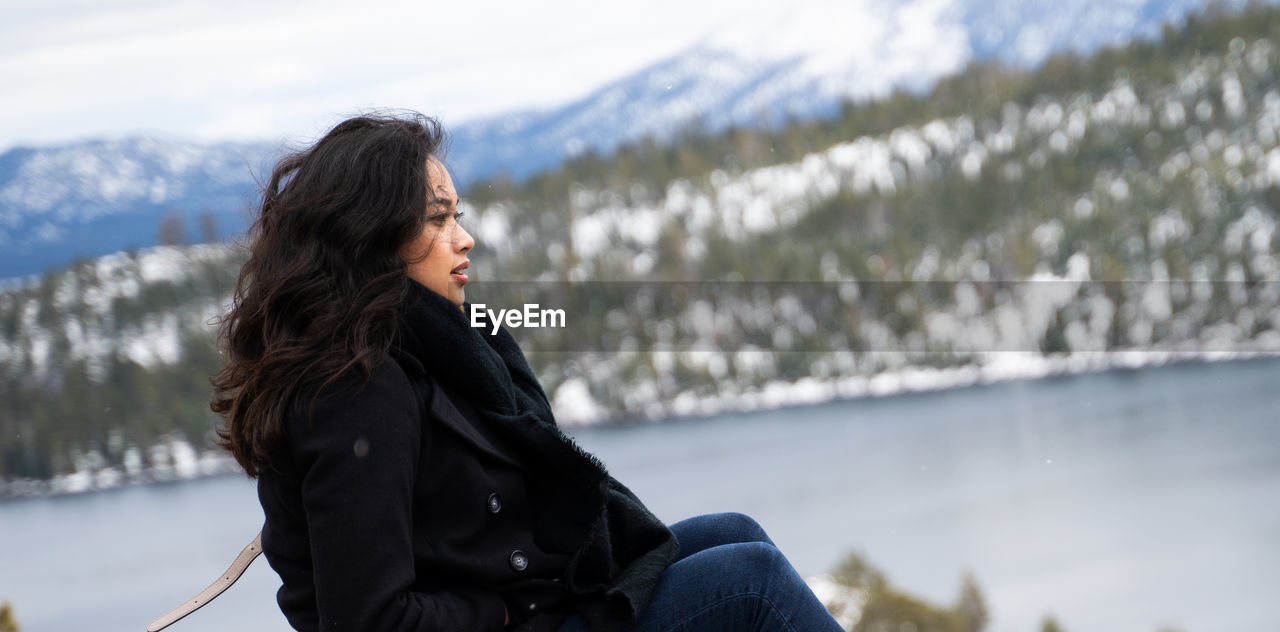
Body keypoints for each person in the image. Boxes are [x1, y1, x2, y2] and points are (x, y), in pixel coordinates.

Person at [212, 112, 844, 632]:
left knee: (732, 533)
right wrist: (502, 608)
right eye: (438, 220)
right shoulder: (361, 389)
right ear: (370, 237)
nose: (465, 239)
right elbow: (368, 620)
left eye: (457, 215)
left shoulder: (426, 347)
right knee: (749, 584)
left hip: (531, 600)